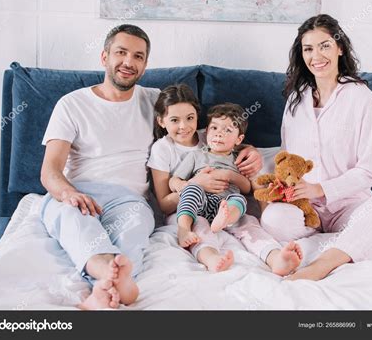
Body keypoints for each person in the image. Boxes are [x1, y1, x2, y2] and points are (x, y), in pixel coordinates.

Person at [39, 25, 264, 309]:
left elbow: (208, 134)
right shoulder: (72, 104)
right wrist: (69, 194)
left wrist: (248, 149)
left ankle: (108, 287)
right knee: (75, 221)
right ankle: (106, 278)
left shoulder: (155, 100)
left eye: (138, 56)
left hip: (130, 199)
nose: (128, 62)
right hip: (80, 190)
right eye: (121, 53)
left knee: (135, 228)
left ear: (145, 65)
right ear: (104, 56)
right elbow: (50, 171)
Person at [259, 14, 372, 281]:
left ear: (340, 48)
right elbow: (287, 158)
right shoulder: (295, 100)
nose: (316, 56)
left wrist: (322, 188)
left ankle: (322, 263)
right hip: (305, 208)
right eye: (308, 48)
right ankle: (342, 243)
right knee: (272, 219)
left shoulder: (360, 95)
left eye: (324, 45)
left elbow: (369, 171)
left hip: (349, 205)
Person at [148, 84, 303, 275]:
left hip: (227, 203)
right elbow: (166, 199)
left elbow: (234, 146)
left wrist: (250, 151)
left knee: (249, 224)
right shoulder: (164, 149)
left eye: (190, 118)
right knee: (200, 228)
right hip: (194, 206)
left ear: (198, 117)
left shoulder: (209, 135)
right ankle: (210, 257)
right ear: (161, 121)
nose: (184, 126)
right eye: (174, 120)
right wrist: (194, 183)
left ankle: (275, 257)